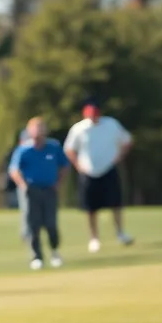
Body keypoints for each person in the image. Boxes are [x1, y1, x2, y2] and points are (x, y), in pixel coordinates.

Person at [64, 98, 134, 252]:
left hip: (109, 168)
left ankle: (120, 232)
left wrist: (119, 157)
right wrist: (78, 165)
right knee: (91, 207)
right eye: (90, 115)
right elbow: (69, 148)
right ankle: (94, 238)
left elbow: (127, 141)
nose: (93, 118)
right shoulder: (79, 129)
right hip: (88, 171)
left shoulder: (111, 124)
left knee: (116, 203)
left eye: (95, 115)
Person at [9, 117, 68, 271]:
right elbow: (14, 170)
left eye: (41, 129)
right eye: (35, 129)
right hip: (31, 190)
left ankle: (55, 252)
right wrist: (23, 185)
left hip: (49, 189)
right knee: (32, 225)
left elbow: (64, 166)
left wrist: (58, 183)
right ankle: (36, 257)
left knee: (51, 223)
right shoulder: (24, 150)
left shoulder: (53, 147)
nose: (38, 133)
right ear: (29, 132)